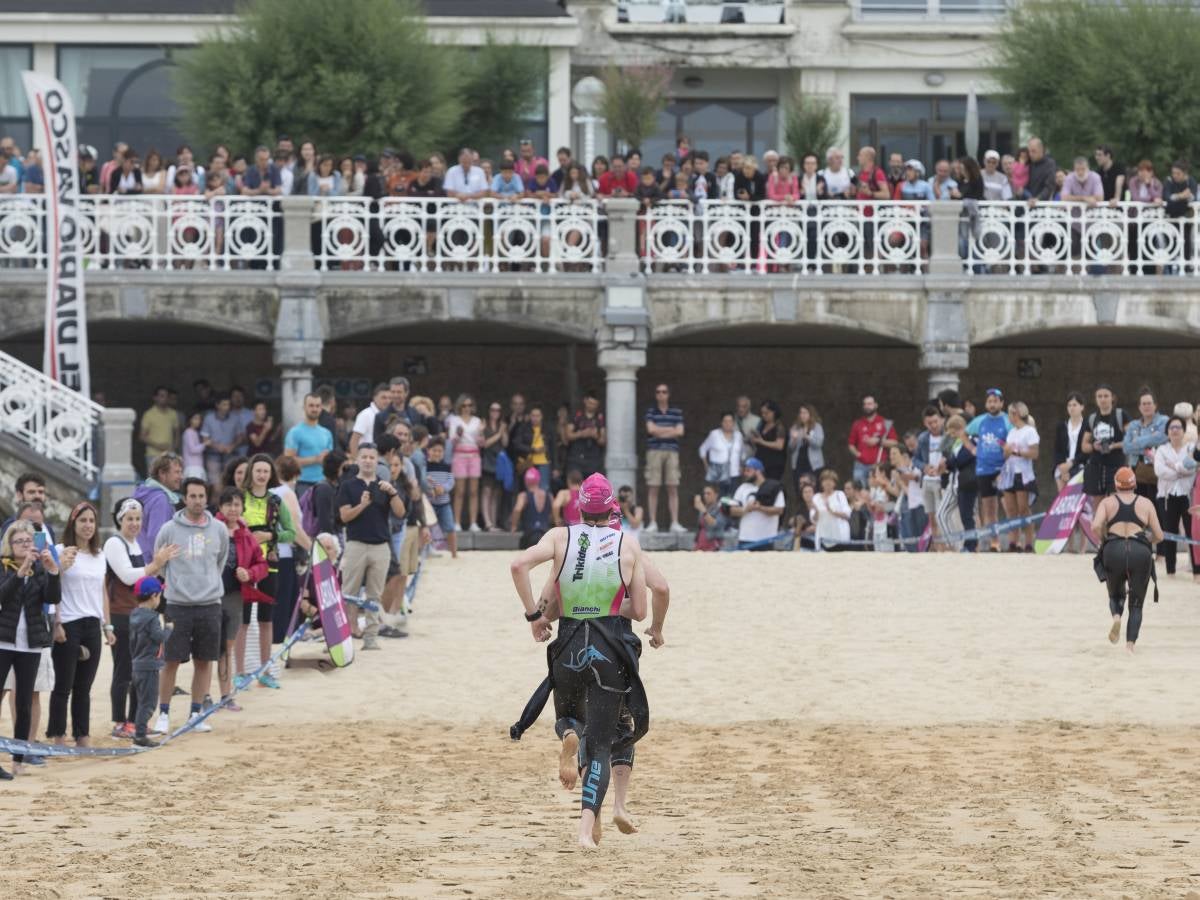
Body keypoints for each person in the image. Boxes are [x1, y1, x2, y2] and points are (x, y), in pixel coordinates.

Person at [508, 474, 648, 849]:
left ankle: (567, 734)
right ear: (612, 510)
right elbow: (647, 605)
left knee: (572, 719)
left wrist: (535, 619)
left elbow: (522, 568)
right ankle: (589, 827)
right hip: (609, 648)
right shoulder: (627, 543)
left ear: (579, 506)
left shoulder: (560, 538)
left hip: (569, 644)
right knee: (606, 738)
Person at [153, 478, 230, 735]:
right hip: (178, 604)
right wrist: (179, 583)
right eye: (192, 496)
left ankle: (195, 713)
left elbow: (219, 561)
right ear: (184, 498)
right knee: (171, 660)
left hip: (209, 604)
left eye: (201, 496)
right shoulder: (169, 529)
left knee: (203, 660)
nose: (197, 501)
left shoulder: (218, 529)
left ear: (207, 498)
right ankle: (163, 713)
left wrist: (207, 583)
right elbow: (160, 562)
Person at [0, 521, 61, 776]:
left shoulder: (40, 569)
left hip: (31, 644)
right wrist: (19, 572)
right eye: (20, 542)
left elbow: (52, 599)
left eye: (29, 541)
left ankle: (18, 758)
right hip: (4, 641)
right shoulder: (4, 568)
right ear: (10, 546)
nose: (25, 545)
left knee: (24, 703)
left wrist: (54, 572)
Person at [337, 443, 405, 650]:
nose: (367, 461)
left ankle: (371, 638)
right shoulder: (348, 486)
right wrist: (362, 505)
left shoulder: (384, 486)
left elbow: (401, 513)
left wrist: (393, 493)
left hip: (380, 546)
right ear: (357, 460)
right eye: (364, 457)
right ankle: (344, 637)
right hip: (356, 544)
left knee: (374, 594)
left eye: (371, 458)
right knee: (349, 592)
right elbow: (344, 516)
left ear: (377, 461)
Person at [48, 503, 104, 748]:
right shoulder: (61, 550)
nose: (88, 525)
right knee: (63, 685)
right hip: (68, 623)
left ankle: (82, 735)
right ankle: (57, 735)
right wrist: (56, 622)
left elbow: (101, 591)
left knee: (84, 686)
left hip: (93, 624)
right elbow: (52, 588)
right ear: (73, 523)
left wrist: (107, 626)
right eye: (83, 520)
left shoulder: (99, 554)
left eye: (91, 520)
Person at [1092, 467, 1163, 653]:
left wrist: (1104, 539)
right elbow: (1160, 535)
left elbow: (1095, 526)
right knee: (1137, 603)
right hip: (1139, 550)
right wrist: (1147, 541)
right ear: (1134, 484)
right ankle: (1129, 647)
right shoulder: (1146, 503)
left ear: (1116, 485)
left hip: (1114, 549)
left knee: (1115, 594)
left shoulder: (1107, 502)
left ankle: (1116, 617)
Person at [215, 488, 268, 708]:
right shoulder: (211, 529)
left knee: (226, 646)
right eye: (228, 504)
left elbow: (261, 564)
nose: (232, 509)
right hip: (209, 596)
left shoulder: (246, 534)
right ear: (220, 508)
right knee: (207, 648)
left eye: (236, 504)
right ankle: (204, 697)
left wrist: (250, 574)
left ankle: (225, 695)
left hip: (235, 596)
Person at [966, 388, 1012, 552]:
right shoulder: (980, 421)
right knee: (989, 508)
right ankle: (995, 542)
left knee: (1008, 506)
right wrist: (972, 449)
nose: (992, 404)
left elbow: (1012, 444)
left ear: (1001, 403)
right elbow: (963, 433)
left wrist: (1005, 465)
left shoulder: (1007, 421)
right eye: (989, 401)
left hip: (1002, 470)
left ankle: (1015, 542)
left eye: (995, 401)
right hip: (983, 470)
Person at [128, 576, 171, 747]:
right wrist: (168, 629)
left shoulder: (134, 615)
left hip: (137, 664)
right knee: (149, 703)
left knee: (141, 701)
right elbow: (158, 637)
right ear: (154, 596)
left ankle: (139, 733)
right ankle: (140, 736)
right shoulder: (152, 617)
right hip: (149, 665)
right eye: (159, 595)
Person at [1153, 416, 1198, 577]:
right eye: (1172, 427)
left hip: (1187, 496)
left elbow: (1193, 468)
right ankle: (1170, 570)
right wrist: (1180, 470)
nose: (1175, 430)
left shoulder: (1191, 449)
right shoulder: (1162, 450)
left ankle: (1196, 570)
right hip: (1167, 496)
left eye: (1178, 427)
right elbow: (1160, 471)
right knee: (1169, 532)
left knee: (1191, 533)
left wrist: (1176, 468)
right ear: (1167, 431)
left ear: (1184, 430)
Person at [643, 384, 686, 534]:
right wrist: (670, 430)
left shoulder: (676, 412)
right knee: (653, 486)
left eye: (664, 392)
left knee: (672, 486)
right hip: (654, 451)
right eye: (658, 392)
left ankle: (675, 522)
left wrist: (659, 431)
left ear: (668, 394)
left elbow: (680, 432)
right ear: (656, 395)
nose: (661, 394)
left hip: (672, 452)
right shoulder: (651, 411)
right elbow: (650, 430)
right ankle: (652, 522)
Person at [1000, 402, 1040, 553]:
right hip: (1009, 473)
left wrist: (1017, 452)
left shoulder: (1029, 431)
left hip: (1023, 474)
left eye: (1010, 413)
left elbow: (1034, 453)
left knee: (1023, 509)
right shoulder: (1012, 432)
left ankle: (1029, 542)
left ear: (1016, 414)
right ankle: (1013, 542)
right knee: (1011, 510)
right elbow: (1006, 455)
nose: (1009, 416)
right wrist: (1006, 451)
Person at [1082, 385, 1128, 499]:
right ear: (1096, 399)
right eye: (1099, 396)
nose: (1103, 399)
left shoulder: (1121, 415)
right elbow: (1084, 445)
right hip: (1096, 466)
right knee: (1098, 506)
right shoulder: (1092, 418)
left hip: (1116, 466)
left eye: (1106, 396)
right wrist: (1094, 446)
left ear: (1112, 398)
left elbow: (1131, 440)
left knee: (1116, 503)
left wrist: (1113, 446)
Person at [446, 394, 484, 533]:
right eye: (464, 405)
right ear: (459, 406)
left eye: (469, 405)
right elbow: (451, 440)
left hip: (474, 455)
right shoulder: (454, 420)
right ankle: (457, 522)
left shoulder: (477, 420)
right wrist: (458, 434)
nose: (467, 408)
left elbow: (481, 443)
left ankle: (473, 523)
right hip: (459, 455)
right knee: (459, 492)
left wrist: (481, 434)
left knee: (474, 492)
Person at [131, 452, 183, 552]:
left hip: (139, 558)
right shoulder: (160, 500)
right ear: (162, 474)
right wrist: (159, 565)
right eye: (177, 472)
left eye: (181, 472)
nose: (181, 477)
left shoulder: (144, 493)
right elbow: (156, 537)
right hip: (152, 563)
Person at [284, 393, 334, 496]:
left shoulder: (326, 433)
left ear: (321, 408)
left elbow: (330, 459)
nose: (314, 409)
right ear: (304, 407)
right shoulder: (295, 432)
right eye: (311, 405)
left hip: (324, 483)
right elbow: (288, 462)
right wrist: (316, 459)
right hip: (303, 483)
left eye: (317, 406)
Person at [728, 459, 785, 551]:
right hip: (745, 538)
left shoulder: (774, 488)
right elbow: (732, 510)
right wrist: (745, 509)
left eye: (748, 470)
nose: (745, 473)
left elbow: (779, 510)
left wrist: (760, 508)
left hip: (765, 539)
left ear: (758, 471)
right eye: (745, 470)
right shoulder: (742, 488)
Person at [1124, 387, 1169, 503]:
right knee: (1139, 507)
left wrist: (1137, 441)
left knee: (1157, 509)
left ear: (1155, 405)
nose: (1146, 406)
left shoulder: (1164, 421)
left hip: (1158, 472)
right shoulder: (1133, 425)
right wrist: (1146, 448)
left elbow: (1162, 437)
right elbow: (1126, 447)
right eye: (1143, 404)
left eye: (1149, 403)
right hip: (1137, 471)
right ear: (1139, 407)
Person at [942, 415, 979, 553]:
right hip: (960, 482)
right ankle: (969, 543)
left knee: (968, 515)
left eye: (953, 433)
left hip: (969, 481)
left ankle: (971, 544)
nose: (952, 436)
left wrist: (950, 462)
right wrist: (946, 464)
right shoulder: (957, 443)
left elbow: (965, 458)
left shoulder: (972, 440)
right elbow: (953, 462)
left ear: (960, 429)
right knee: (964, 515)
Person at [847, 394, 898, 484]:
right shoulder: (857, 424)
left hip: (879, 465)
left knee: (878, 492)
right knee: (859, 491)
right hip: (860, 465)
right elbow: (851, 444)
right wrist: (858, 455)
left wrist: (878, 441)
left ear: (876, 405)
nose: (867, 406)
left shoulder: (885, 423)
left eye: (870, 404)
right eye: (865, 404)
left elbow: (894, 442)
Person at [698, 412, 743, 500]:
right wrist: (706, 466)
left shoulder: (738, 435)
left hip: (734, 474)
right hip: (718, 475)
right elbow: (702, 449)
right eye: (725, 421)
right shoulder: (714, 434)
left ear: (734, 423)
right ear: (721, 423)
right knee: (718, 500)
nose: (728, 424)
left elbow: (742, 453)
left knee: (732, 500)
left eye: (730, 421)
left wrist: (741, 465)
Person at [480, 402, 509, 531]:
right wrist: (498, 434)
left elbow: (505, 443)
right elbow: (484, 444)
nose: (495, 412)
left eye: (498, 410)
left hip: (499, 462)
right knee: (486, 491)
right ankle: (487, 523)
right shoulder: (484, 424)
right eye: (492, 410)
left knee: (496, 493)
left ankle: (494, 522)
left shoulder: (502, 425)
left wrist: (503, 432)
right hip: (487, 461)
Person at [566, 392, 606, 480]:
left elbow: (603, 440)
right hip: (577, 457)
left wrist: (595, 436)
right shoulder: (577, 416)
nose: (592, 406)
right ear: (585, 401)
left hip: (594, 459)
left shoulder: (600, 418)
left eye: (594, 404)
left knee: (593, 486)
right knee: (576, 484)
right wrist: (581, 434)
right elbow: (568, 435)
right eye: (590, 403)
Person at [140, 386, 179, 473]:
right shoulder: (149, 414)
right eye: (162, 396)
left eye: (166, 396)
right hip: (153, 455)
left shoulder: (173, 414)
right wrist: (158, 446)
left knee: (169, 482)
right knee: (153, 483)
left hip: (169, 454)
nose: (165, 398)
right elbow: (142, 436)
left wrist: (174, 447)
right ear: (155, 398)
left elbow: (177, 433)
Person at [1054, 392, 1088, 491]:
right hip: (1063, 466)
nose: (1071, 408)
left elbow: (1087, 451)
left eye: (1074, 405)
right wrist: (1062, 467)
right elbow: (1057, 449)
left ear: (1082, 407)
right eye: (1069, 405)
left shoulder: (1087, 425)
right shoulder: (1061, 426)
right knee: (1064, 500)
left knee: (1078, 500)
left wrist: (1072, 464)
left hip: (1081, 465)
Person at [812, 469, 852, 551]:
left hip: (839, 537)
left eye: (830, 480)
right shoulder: (816, 497)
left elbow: (847, 514)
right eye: (825, 480)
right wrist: (816, 511)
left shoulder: (839, 495)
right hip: (822, 536)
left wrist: (832, 511)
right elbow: (813, 519)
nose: (828, 483)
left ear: (834, 483)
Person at [511, 467, 552, 548]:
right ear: (538, 480)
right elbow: (552, 513)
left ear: (526, 481)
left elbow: (517, 509)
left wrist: (514, 526)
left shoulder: (523, 496)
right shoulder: (549, 496)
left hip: (529, 535)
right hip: (544, 535)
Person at [748, 400, 786, 481]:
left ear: (774, 412)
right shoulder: (762, 424)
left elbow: (779, 445)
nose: (764, 415)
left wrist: (762, 442)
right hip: (760, 461)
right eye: (762, 413)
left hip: (773, 463)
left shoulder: (779, 427)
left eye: (767, 413)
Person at [693, 484, 726, 551]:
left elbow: (714, 524)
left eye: (708, 494)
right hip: (700, 545)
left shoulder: (721, 508)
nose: (705, 496)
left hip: (713, 545)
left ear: (716, 495)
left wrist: (703, 510)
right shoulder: (704, 508)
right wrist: (695, 543)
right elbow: (699, 528)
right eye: (704, 494)